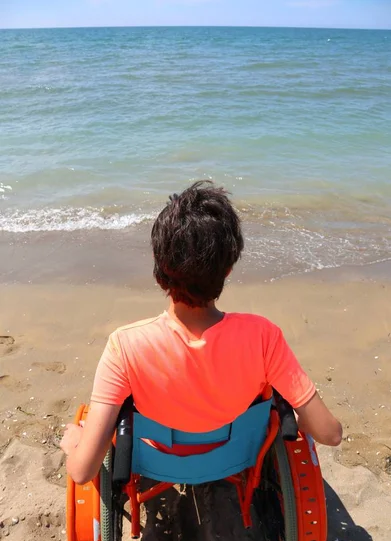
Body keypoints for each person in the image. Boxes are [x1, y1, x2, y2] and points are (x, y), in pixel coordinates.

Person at [61, 181, 342, 484]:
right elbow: (331, 433)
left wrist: (75, 442)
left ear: (159, 270)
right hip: (235, 456)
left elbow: (81, 471)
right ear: (229, 269)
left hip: (157, 459)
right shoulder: (263, 336)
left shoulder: (124, 346)